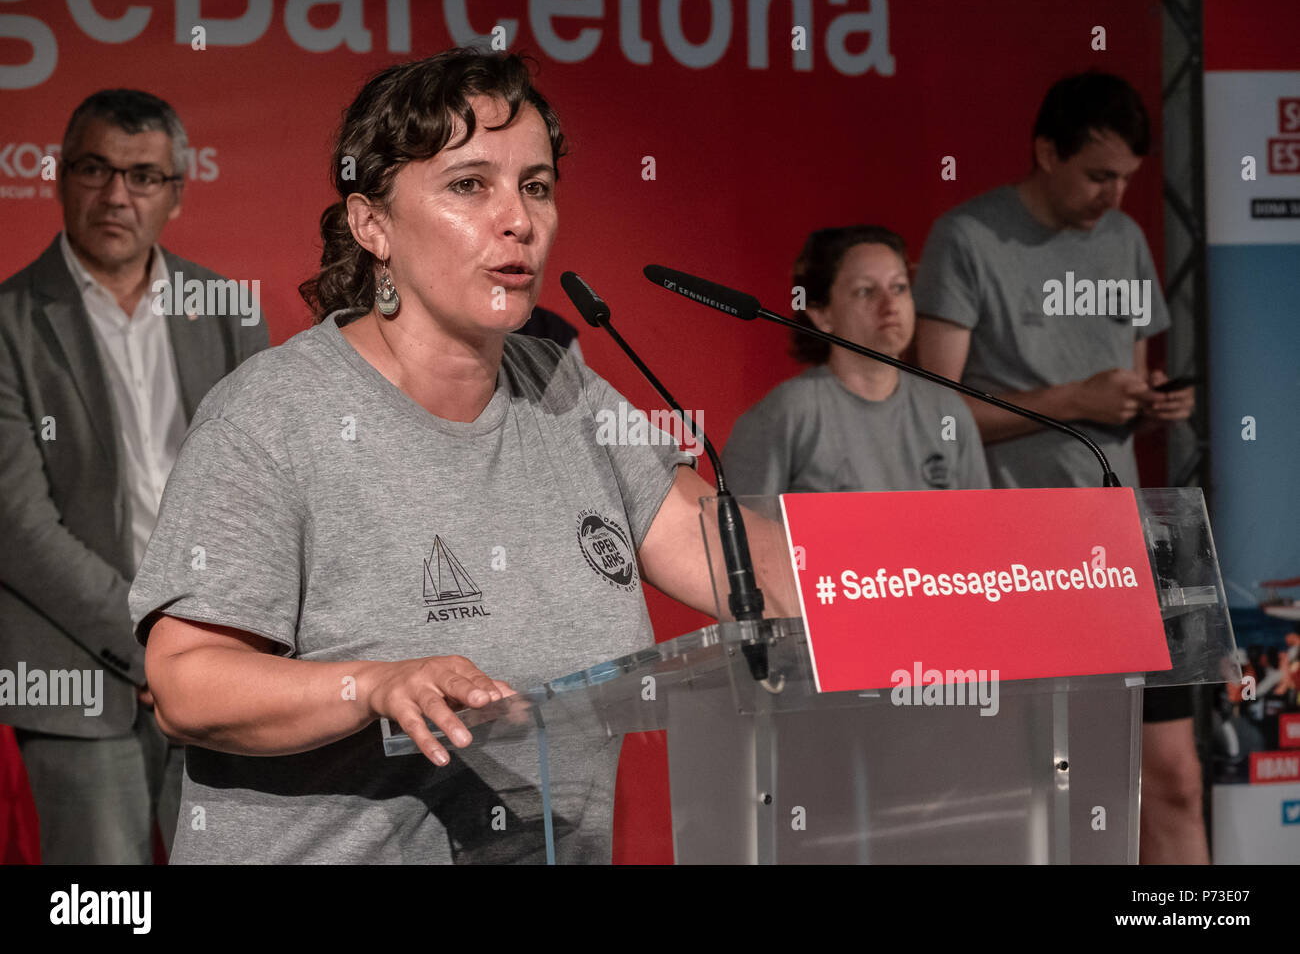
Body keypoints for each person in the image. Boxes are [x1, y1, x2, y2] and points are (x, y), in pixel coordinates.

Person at [127, 49, 778, 864]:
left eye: (535, 185)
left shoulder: (566, 395)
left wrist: (933, 581)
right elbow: (186, 683)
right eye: (470, 185)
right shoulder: (271, 418)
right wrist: (372, 685)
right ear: (373, 225)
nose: (518, 220)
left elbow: (747, 569)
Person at [911, 71, 1205, 864]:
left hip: (1128, 542)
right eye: (1097, 175)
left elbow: (1125, 383)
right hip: (1020, 549)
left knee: (1173, 776)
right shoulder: (969, 237)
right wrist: (1075, 397)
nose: (1113, 195)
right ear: (1046, 151)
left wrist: (1147, 405)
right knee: (1055, 788)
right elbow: (934, 415)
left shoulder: (1126, 243)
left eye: (1128, 180)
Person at [0, 89, 268, 863]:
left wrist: (216, 640)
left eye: (144, 176)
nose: (118, 194)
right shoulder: (9, 323)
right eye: (96, 169)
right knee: (102, 911)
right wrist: (152, 642)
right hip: (76, 680)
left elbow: (266, 497)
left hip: (224, 668)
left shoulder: (227, 311)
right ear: (59, 177)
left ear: (175, 195)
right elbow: (17, 528)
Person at [724, 225, 989, 495]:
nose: (890, 306)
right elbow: (744, 528)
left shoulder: (947, 410)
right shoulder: (788, 413)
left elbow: (982, 525)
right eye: (865, 291)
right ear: (821, 315)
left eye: (899, 287)